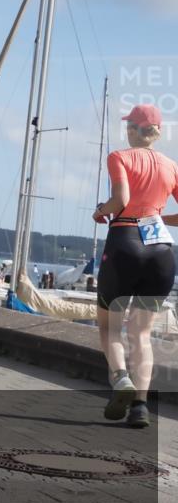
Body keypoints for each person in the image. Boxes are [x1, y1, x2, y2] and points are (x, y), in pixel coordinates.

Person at [93, 104, 178, 428]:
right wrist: (158, 216)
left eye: (130, 126)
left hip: (125, 242)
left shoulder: (120, 157)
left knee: (109, 327)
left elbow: (122, 199)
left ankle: (120, 378)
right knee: (141, 334)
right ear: (157, 132)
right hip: (160, 251)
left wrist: (101, 211)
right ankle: (141, 406)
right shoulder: (171, 165)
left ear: (132, 130)